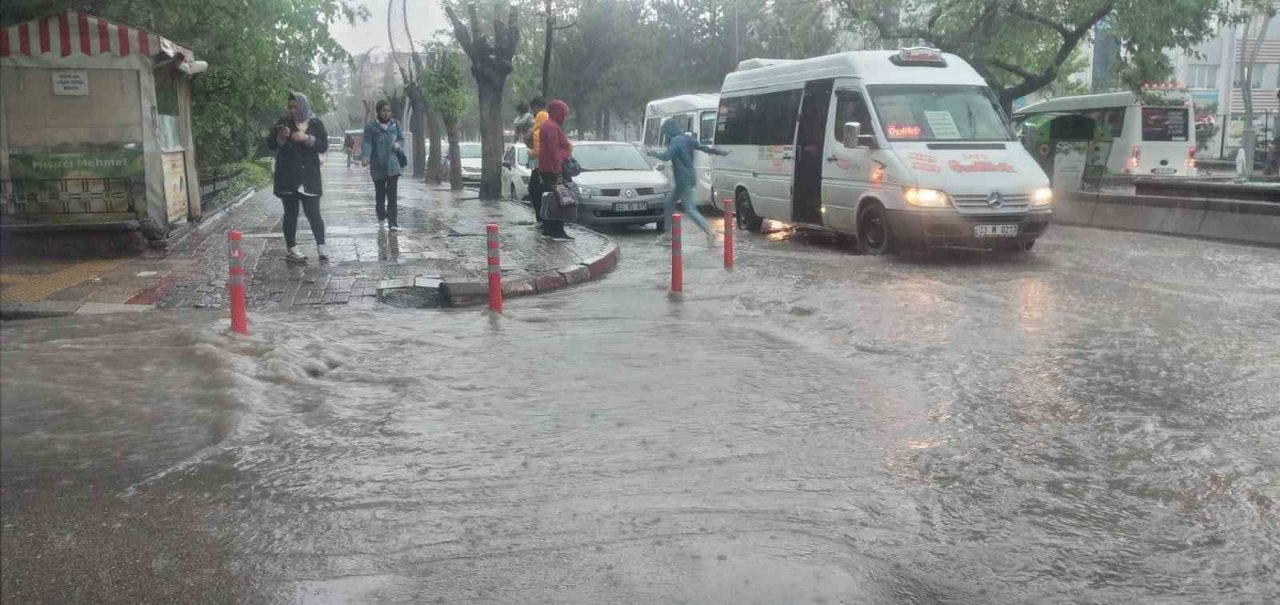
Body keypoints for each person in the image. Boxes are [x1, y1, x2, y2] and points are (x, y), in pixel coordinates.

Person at [267, 91, 329, 264]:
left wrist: (307, 138)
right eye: (290, 107)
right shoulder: (283, 123)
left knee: (314, 213)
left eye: (296, 106)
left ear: (303, 106)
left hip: (309, 177)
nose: (293, 110)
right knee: (290, 213)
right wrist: (280, 137)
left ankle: (322, 245)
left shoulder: (315, 123)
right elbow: (271, 144)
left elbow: (323, 146)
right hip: (288, 175)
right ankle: (292, 247)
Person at [648, 118, 727, 246]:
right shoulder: (687, 138)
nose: (665, 136)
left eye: (665, 133)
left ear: (669, 130)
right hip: (687, 177)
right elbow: (704, 148)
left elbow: (667, 156)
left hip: (683, 179)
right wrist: (720, 152)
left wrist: (652, 152)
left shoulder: (675, 141)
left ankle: (710, 232)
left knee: (689, 208)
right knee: (669, 203)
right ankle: (668, 234)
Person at [360, 100, 405, 231]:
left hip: (393, 166)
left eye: (388, 111)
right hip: (377, 165)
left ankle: (393, 223)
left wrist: (398, 144)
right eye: (384, 111)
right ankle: (381, 217)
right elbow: (367, 143)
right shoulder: (371, 126)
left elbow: (401, 138)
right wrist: (366, 157)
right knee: (380, 195)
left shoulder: (395, 124)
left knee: (392, 196)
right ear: (379, 111)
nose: (386, 113)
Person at [536, 99, 575, 240]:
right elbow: (554, 151)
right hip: (553, 170)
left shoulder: (549, 125)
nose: (565, 116)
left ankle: (549, 229)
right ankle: (556, 230)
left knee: (551, 199)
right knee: (559, 200)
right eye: (564, 113)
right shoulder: (552, 127)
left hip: (549, 169)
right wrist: (558, 171)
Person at [524, 97, 549, 224]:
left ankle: (542, 219)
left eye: (532, 108)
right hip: (544, 167)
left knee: (536, 192)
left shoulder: (538, 131)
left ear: (536, 107)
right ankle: (544, 219)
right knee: (538, 192)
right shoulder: (552, 126)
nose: (532, 112)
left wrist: (531, 152)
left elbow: (538, 151)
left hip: (541, 168)